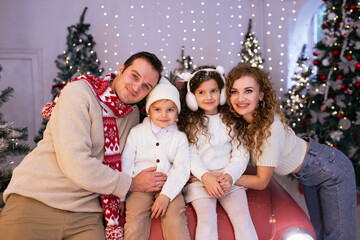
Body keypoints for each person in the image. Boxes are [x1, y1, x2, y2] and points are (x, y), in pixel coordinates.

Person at [0, 51, 168, 240]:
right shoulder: (80, 92)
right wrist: (132, 183)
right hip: (38, 200)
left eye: (146, 86)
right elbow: (76, 163)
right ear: (121, 69)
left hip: (86, 214)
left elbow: (142, 155)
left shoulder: (132, 116)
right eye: (134, 76)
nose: (136, 87)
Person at [223, 63, 357, 240]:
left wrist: (226, 179)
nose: (241, 98)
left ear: (261, 95)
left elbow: (262, 181)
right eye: (234, 91)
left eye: (248, 91)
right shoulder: (246, 122)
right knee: (316, 231)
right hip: (310, 174)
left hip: (332, 171)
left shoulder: (268, 129)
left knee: (338, 236)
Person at [177, 65, 258, 240]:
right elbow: (189, 155)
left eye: (213, 90)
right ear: (191, 97)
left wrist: (229, 176)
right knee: (207, 220)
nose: (208, 97)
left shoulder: (233, 119)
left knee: (243, 220)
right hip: (200, 180)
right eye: (201, 92)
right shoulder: (189, 123)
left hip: (230, 178)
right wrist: (206, 177)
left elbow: (241, 153)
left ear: (222, 92)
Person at [120, 77, 191, 240]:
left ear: (177, 112)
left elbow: (181, 169)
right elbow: (126, 163)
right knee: (134, 224)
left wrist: (166, 195)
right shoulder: (137, 132)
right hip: (139, 188)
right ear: (149, 111)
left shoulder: (179, 138)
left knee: (176, 222)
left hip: (169, 187)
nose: (164, 115)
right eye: (157, 109)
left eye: (170, 110)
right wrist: (122, 196)